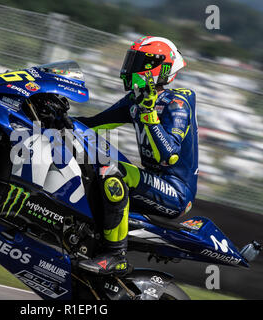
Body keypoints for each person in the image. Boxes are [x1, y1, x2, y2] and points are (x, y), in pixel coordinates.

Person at [76, 36, 199, 275]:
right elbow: (93, 125)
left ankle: (115, 256)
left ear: (161, 68)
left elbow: (169, 156)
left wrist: (149, 115)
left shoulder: (178, 103)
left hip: (175, 191)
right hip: (151, 179)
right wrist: (49, 118)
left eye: (140, 62)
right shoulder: (136, 100)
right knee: (91, 159)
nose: (131, 68)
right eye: (132, 60)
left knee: (112, 172)